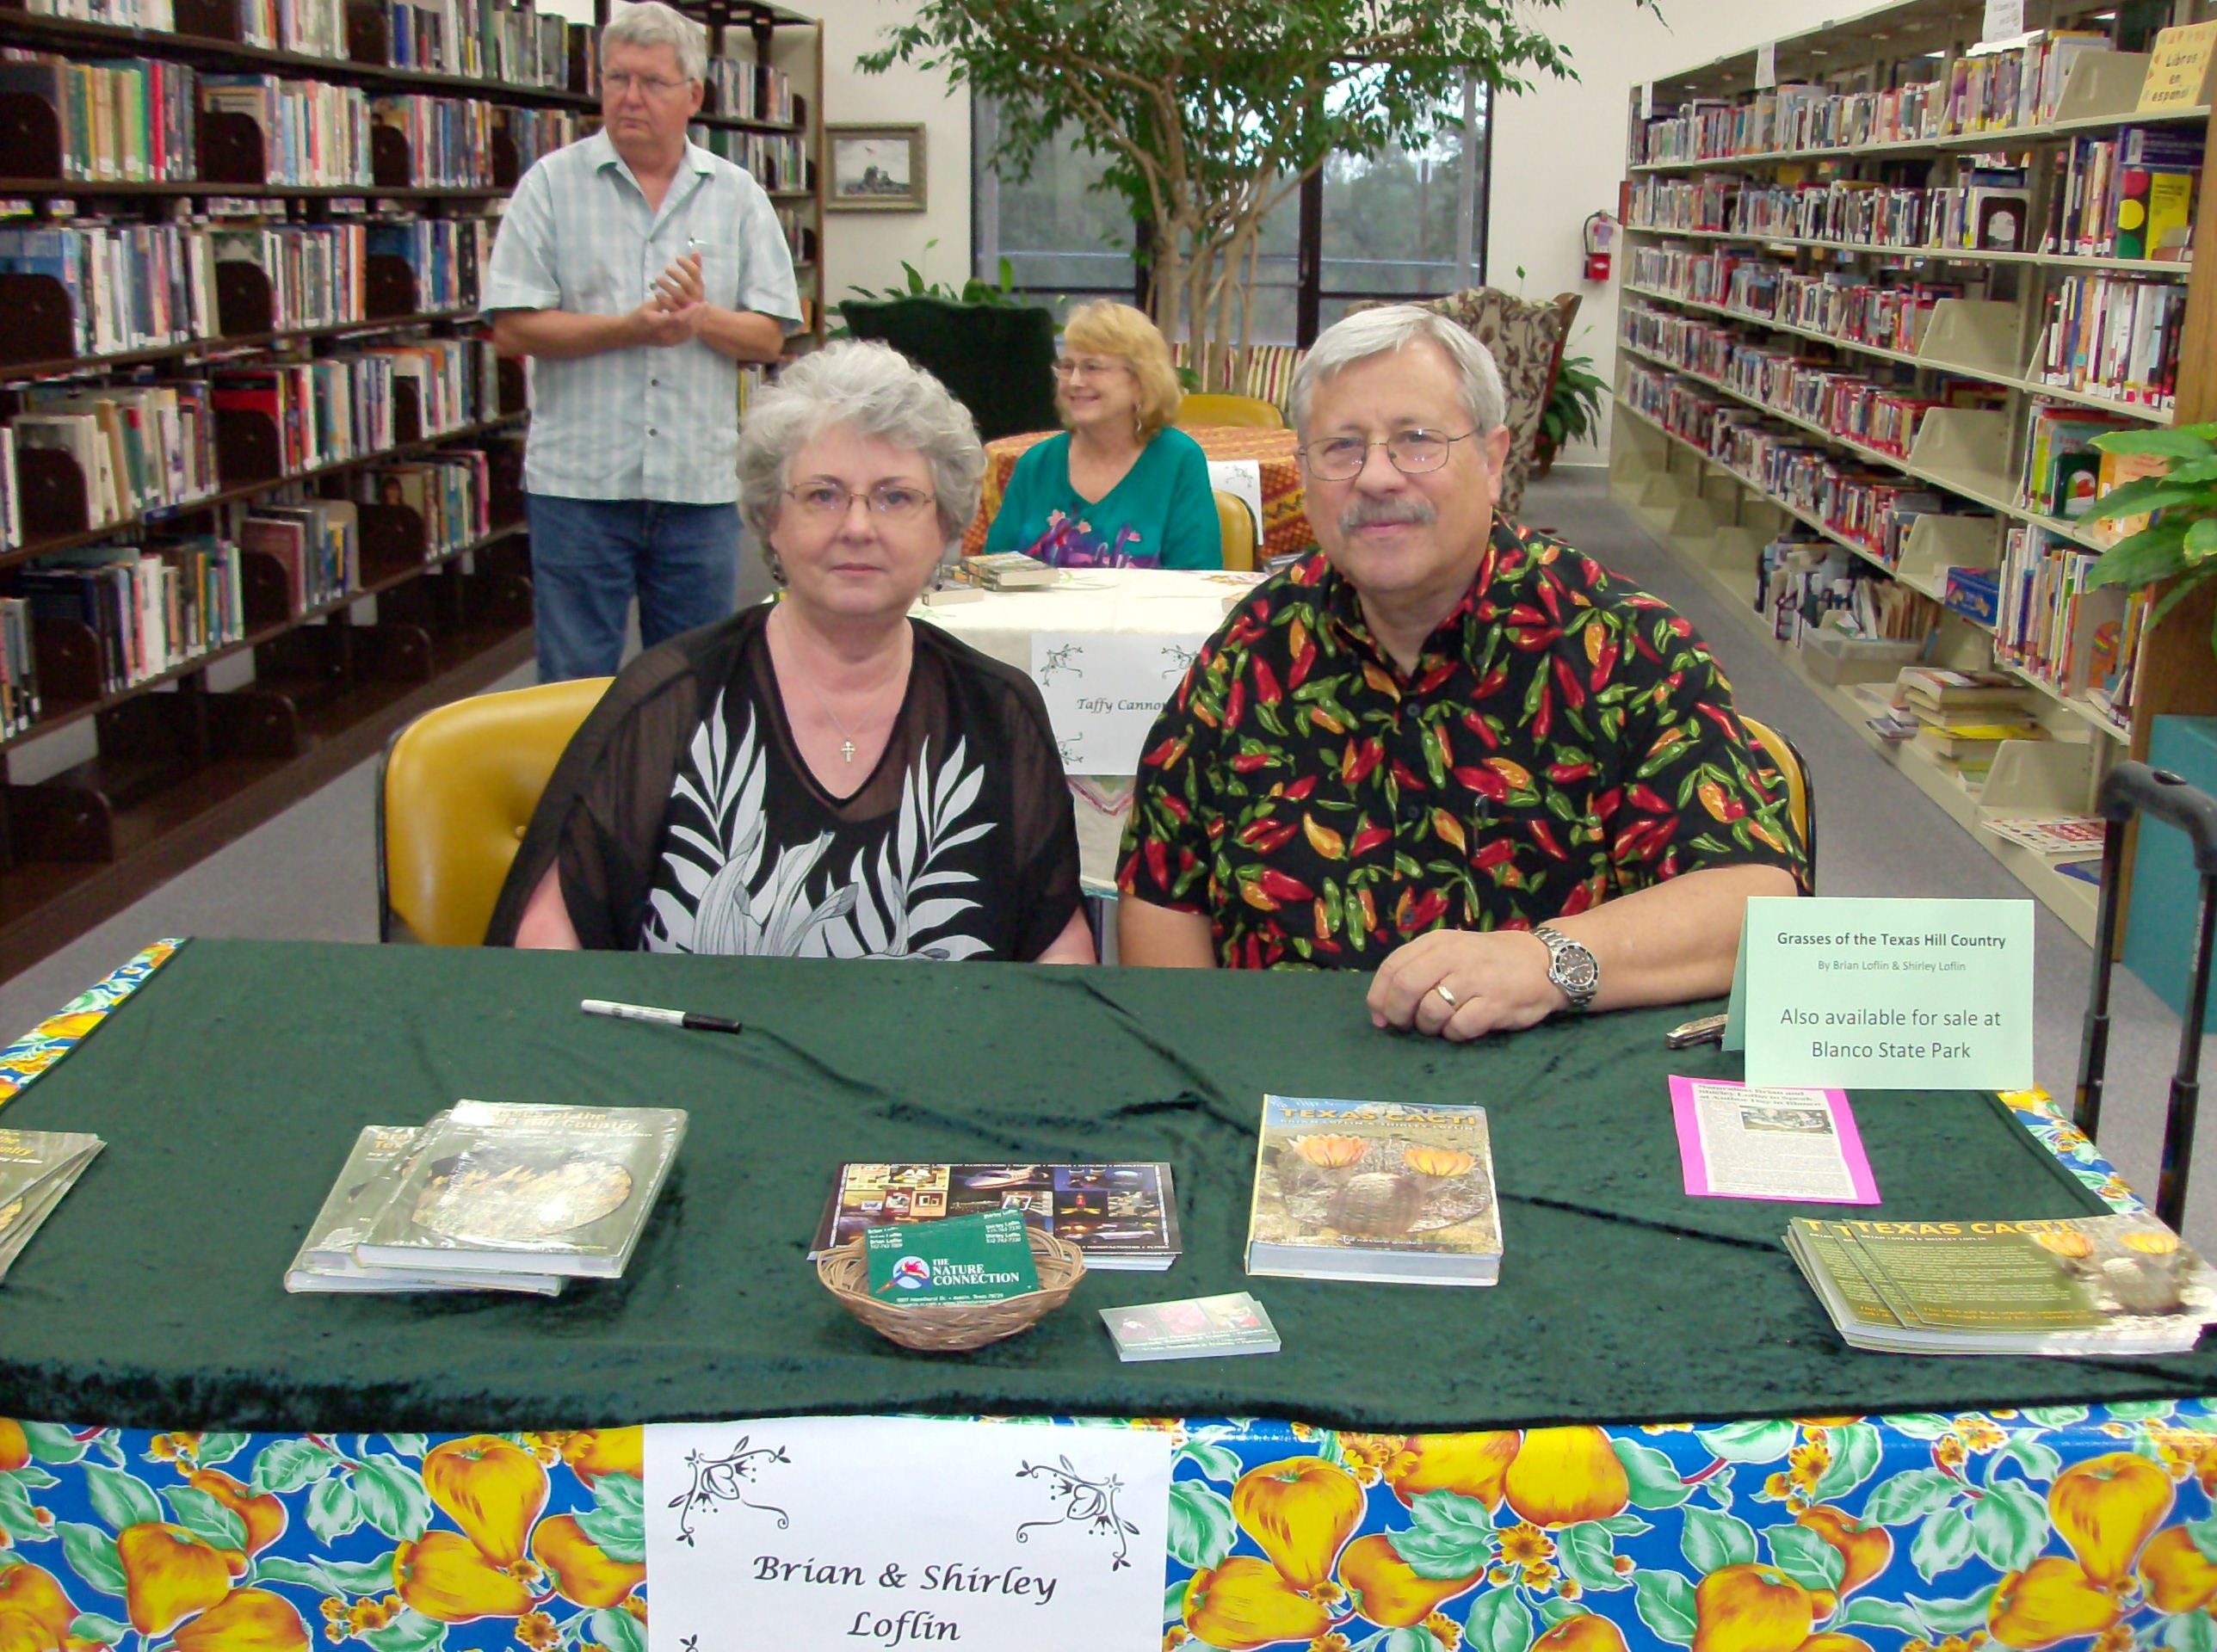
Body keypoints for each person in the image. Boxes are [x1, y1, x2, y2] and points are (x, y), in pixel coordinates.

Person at [1114, 304, 1806, 1037]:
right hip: (1282, 1092)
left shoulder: (1622, 647)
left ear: (1494, 458)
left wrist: (1546, 962)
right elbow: (1165, 893)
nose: (1376, 476)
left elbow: (1752, 902)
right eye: (1341, 447)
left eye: (1417, 441)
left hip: (1548, 1099)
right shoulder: (1249, 652)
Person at [485, 341, 1094, 963]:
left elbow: (1057, 945)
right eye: (823, 495)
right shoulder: (669, 701)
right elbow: (547, 945)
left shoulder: (999, 709)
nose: (858, 526)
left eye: (895, 497)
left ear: (944, 525)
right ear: (771, 518)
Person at [483, 0, 801, 682]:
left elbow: (771, 335)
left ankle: (679, 796)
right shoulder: (548, 187)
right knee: (573, 683)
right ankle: (580, 796)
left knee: (692, 684)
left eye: (651, 82)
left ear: (693, 94)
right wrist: (627, 328)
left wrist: (699, 321)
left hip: (696, 486)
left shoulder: (737, 195)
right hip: (579, 485)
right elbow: (511, 327)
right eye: (616, 79)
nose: (630, 98)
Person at [981, 301, 1221, 570]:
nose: (1075, 382)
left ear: (1140, 382)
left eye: (1093, 368)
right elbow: (993, 573)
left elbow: (1198, 584)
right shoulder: (1036, 463)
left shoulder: (1178, 461)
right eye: (1067, 367)